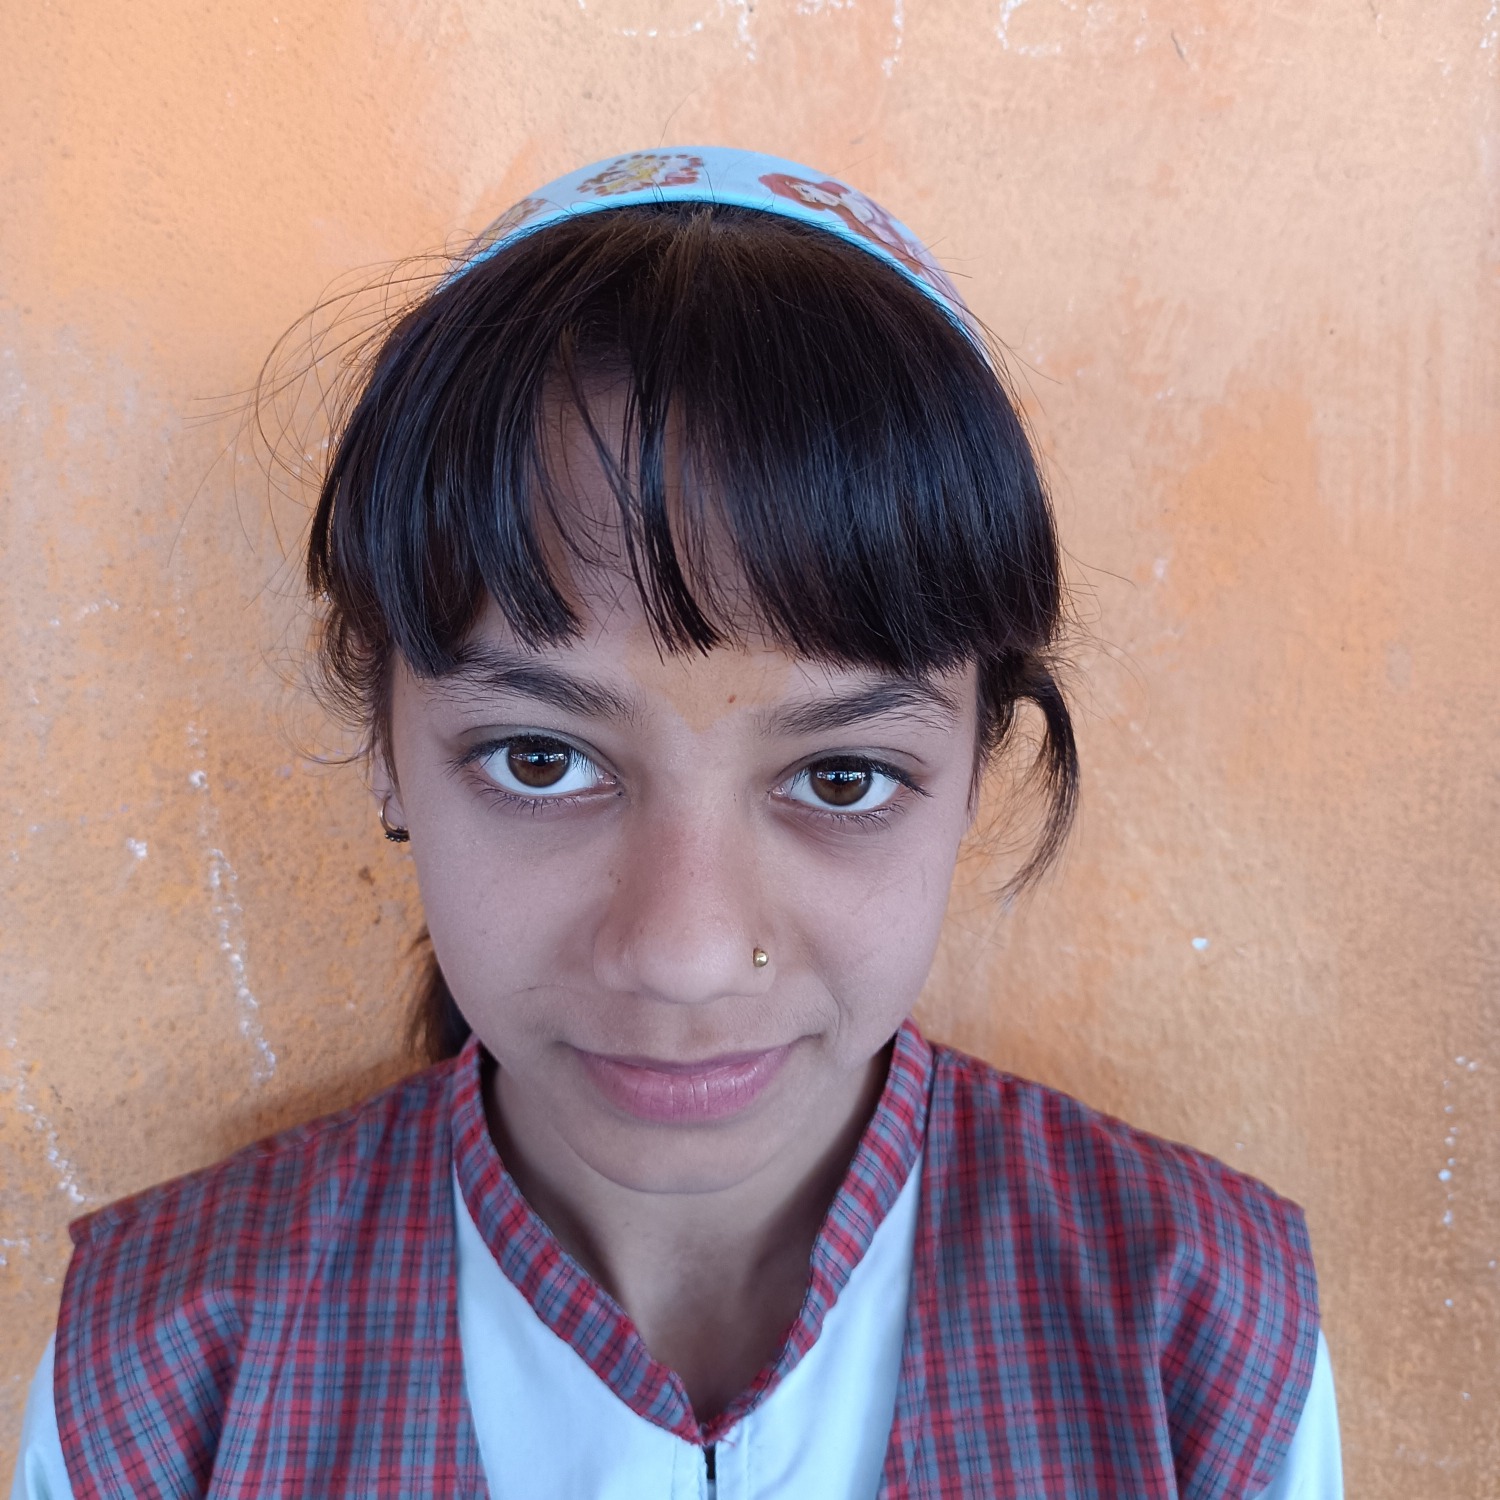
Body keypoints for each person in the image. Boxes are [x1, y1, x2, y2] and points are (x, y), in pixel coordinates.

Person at [10, 147, 1342, 1499]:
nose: (685, 956)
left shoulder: (1202, 1344)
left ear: (976, 769)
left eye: (842, 778)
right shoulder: (161, 1380)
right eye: (540, 759)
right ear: (387, 749)